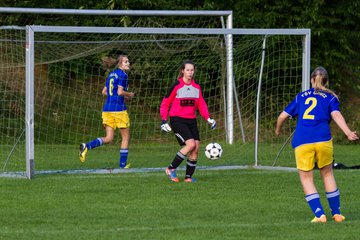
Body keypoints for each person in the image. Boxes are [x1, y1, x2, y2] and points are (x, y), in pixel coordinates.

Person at [275, 66, 358, 223]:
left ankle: (320, 215)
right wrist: (347, 132)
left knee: (306, 178)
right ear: (326, 82)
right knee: (327, 174)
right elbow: (336, 115)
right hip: (323, 139)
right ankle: (337, 214)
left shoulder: (300, 97)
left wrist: (278, 130)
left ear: (312, 80)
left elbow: (282, 116)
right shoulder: (330, 97)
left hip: (302, 141)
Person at [160, 60, 217, 183]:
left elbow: (201, 104)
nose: (190, 72)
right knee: (190, 144)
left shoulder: (197, 87)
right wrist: (164, 120)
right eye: (188, 70)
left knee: (196, 148)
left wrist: (208, 118)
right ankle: (171, 168)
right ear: (182, 71)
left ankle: (188, 178)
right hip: (177, 119)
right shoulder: (176, 86)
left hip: (192, 120)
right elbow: (165, 103)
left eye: (192, 70)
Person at [79, 53, 135, 168]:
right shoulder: (123, 75)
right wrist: (129, 94)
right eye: (126, 61)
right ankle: (122, 165)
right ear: (120, 63)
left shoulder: (111, 74)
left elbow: (104, 91)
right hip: (118, 110)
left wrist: (117, 96)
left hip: (107, 109)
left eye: (128, 61)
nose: (128, 63)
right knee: (125, 137)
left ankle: (86, 146)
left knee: (109, 138)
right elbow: (119, 92)